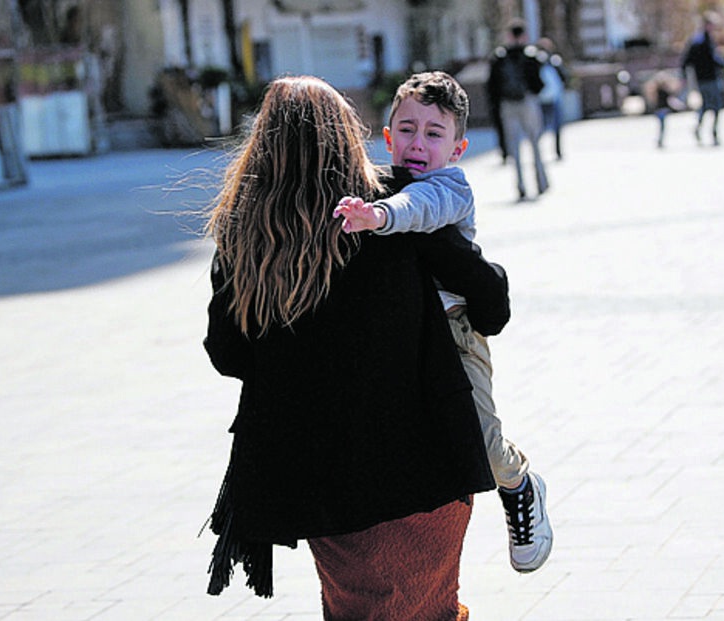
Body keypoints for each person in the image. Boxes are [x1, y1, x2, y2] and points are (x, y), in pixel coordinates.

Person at [202, 75, 511, 619]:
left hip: (321, 482)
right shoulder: (389, 207)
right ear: (350, 132)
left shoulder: (242, 229)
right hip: (422, 463)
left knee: (356, 610)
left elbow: (227, 352)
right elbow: (491, 304)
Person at [334, 71, 554, 574]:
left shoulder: (447, 186)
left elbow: (419, 207)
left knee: (481, 439)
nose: (418, 143)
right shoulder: (375, 184)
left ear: (458, 148)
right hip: (404, 337)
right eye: (406, 129)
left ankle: (519, 484)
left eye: (435, 134)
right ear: (387, 136)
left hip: (456, 334)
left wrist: (378, 217)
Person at [487, 18, 549, 200]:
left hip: (507, 104)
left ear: (508, 35)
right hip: (528, 101)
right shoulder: (531, 54)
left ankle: (520, 185)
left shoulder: (499, 57)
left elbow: (492, 86)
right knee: (535, 143)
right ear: (524, 35)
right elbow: (539, 82)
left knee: (515, 148)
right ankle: (541, 182)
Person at [682, 11, 724, 146]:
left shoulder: (699, 40)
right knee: (714, 105)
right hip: (708, 78)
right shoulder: (703, 41)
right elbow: (709, 59)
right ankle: (712, 131)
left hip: (704, 78)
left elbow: (686, 61)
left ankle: (702, 129)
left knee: (708, 106)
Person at [536, 37, 566, 161]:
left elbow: (563, 76)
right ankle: (537, 152)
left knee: (556, 127)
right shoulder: (536, 62)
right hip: (542, 99)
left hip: (553, 98)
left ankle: (557, 151)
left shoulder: (555, 61)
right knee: (540, 128)